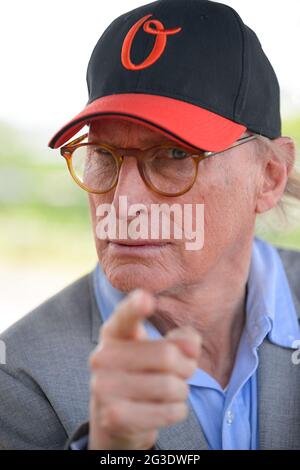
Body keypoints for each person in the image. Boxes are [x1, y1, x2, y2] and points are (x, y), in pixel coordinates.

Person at [1, 0, 300, 450]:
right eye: (103, 155)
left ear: (270, 176)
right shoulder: (19, 379)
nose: (122, 202)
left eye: (176, 155)